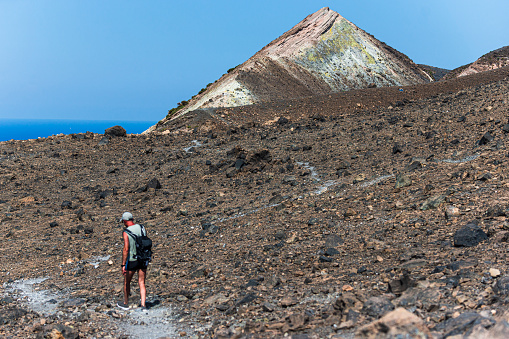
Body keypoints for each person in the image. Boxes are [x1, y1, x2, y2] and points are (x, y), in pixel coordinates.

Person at [117, 212, 148, 310]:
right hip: (143, 258)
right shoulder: (142, 228)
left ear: (125, 221)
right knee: (141, 282)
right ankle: (143, 305)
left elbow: (126, 249)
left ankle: (126, 303)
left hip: (132, 260)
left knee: (127, 282)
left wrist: (123, 265)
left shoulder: (126, 232)